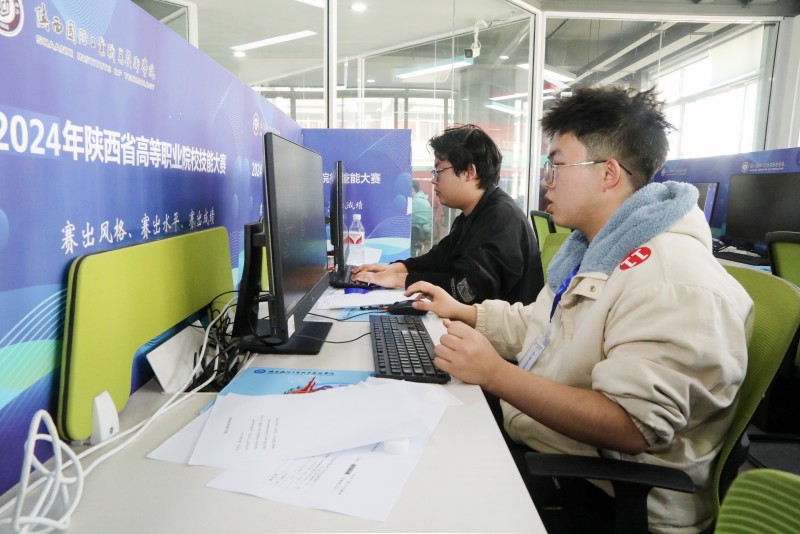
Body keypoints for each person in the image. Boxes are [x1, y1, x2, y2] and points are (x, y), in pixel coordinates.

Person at [404, 87, 754, 533]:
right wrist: (464, 311)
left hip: (606, 494)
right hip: (554, 447)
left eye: (557, 165)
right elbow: (543, 325)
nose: (546, 181)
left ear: (608, 173)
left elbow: (630, 426)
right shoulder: (597, 251)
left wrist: (496, 374)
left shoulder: (672, 280)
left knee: (428, 491)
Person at [353, 124, 542, 305]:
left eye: (439, 171)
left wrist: (400, 279)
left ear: (469, 172)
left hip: (497, 328)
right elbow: (438, 258)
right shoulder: (473, 214)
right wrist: (395, 268)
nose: (433, 180)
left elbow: (467, 289)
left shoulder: (501, 218)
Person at [410, 180, 432, 255]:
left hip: (419, 230)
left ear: (413, 190)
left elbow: (405, 216)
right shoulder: (423, 199)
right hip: (425, 229)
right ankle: (417, 247)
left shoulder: (415, 201)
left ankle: (413, 251)